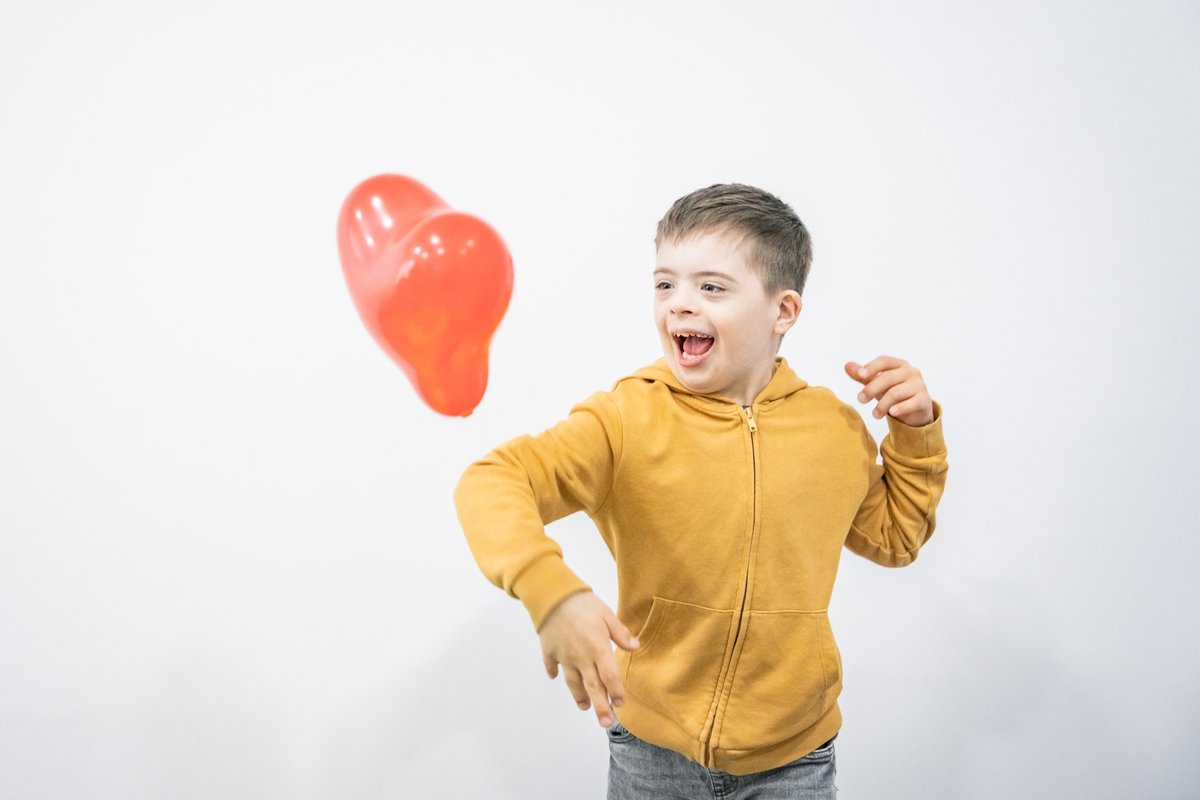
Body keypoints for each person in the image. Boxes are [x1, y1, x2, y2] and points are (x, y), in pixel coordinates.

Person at [453, 183, 949, 798]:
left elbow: (897, 540)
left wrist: (915, 430)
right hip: (650, 754)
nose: (679, 305)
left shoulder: (833, 430)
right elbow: (494, 479)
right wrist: (551, 592)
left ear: (783, 311)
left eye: (711, 287)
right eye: (665, 284)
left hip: (795, 758)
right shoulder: (627, 417)